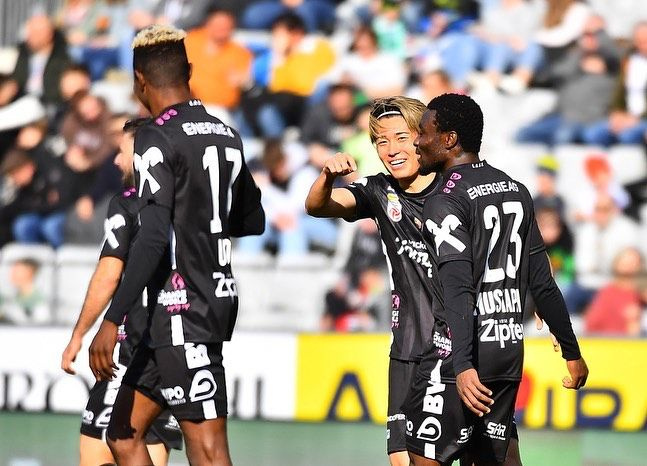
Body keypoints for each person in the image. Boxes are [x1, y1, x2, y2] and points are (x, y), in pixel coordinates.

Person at [86, 24, 265, 466]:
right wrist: (200, 221)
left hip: (186, 308)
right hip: (201, 300)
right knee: (123, 431)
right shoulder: (226, 132)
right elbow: (252, 219)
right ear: (189, 70)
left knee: (207, 449)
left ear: (139, 82)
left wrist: (112, 320)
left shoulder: (156, 136)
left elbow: (150, 236)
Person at [403, 93, 588, 465]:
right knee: (493, 457)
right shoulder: (515, 189)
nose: (416, 141)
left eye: (423, 132)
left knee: (422, 457)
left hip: (458, 360)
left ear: (449, 140)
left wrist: (464, 364)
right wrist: (572, 351)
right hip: (506, 351)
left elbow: (458, 288)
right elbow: (543, 281)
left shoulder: (446, 199)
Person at [306, 95, 438, 466]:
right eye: (381, 141)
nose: (391, 149)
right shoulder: (379, 190)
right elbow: (318, 206)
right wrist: (327, 176)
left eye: (400, 137)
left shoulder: (455, 189)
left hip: (457, 349)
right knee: (400, 459)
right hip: (408, 348)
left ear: (422, 137)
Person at [60, 118, 182, 466]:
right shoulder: (187, 203)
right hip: (178, 346)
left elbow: (109, 273)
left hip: (135, 351)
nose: (116, 160)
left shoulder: (129, 202)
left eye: (121, 151)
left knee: (98, 456)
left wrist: (80, 334)